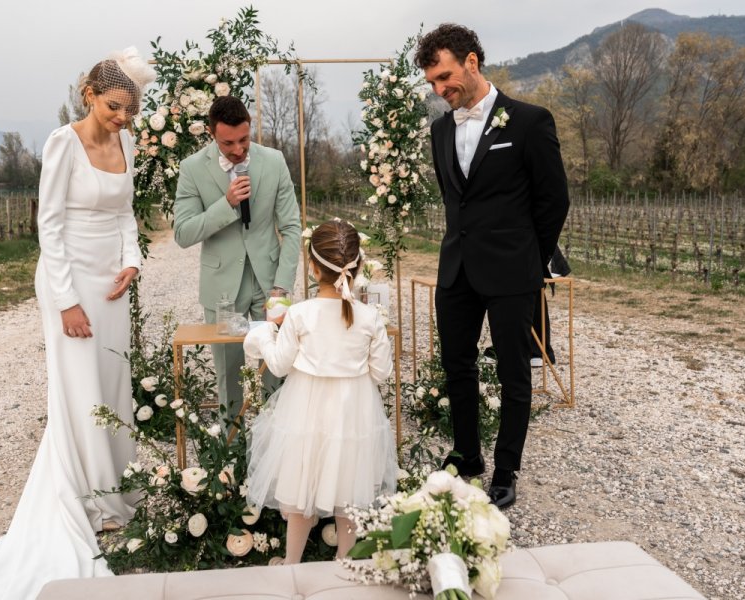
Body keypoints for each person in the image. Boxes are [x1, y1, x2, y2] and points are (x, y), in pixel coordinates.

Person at [0, 48, 155, 599]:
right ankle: (84, 500)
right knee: (77, 387)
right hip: (68, 280)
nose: (122, 119)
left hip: (113, 281)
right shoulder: (62, 143)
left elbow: (124, 213)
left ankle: (115, 489)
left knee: (112, 382)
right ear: (90, 94)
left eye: (130, 111)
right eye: (115, 107)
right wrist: (66, 300)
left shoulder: (128, 142)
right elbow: (49, 223)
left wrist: (133, 259)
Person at [416, 25, 569, 509]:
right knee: (456, 366)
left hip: (511, 272)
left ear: (472, 62)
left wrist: (528, 256)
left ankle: (506, 469)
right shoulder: (441, 129)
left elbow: (553, 201)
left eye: (445, 77)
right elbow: (453, 200)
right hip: (456, 271)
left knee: (512, 371)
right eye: (433, 84)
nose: (441, 91)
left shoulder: (529, 121)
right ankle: (467, 456)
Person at [243, 220, 397, 563]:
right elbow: (382, 372)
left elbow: (280, 366)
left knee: (299, 488)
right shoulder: (370, 317)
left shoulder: (298, 314)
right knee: (349, 490)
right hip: (352, 414)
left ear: (312, 268)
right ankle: (344, 561)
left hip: (305, 413)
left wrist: (264, 337)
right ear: (358, 266)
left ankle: (292, 563)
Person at [173, 95, 301, 418]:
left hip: (270, 287)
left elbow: (291, 228)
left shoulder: (274, 161)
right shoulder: (191, 169)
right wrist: (226, 205)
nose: (238, 149)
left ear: (250, 127)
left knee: (275, 373)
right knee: (229, 378)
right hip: (223, 293)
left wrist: (282, 287)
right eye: (228, 143)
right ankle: (229, 455)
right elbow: (183, 233)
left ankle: (273, 451)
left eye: (244, 139)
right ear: (212, 135)